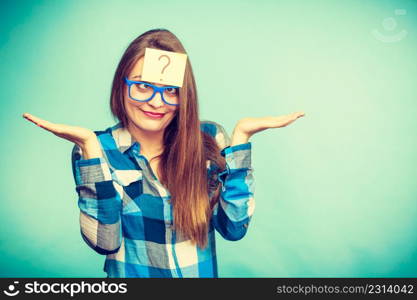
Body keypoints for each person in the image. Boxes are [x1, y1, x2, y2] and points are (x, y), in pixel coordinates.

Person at [23, 28, 305, 278]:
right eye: (143, 86)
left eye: (170, 90)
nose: (156, 102)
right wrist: (88, 149)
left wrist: (241, 141)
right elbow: (104, 242)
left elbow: (234, 228)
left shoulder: (210, 139)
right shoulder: (98, 150)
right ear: (121, 85)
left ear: (184, 95)